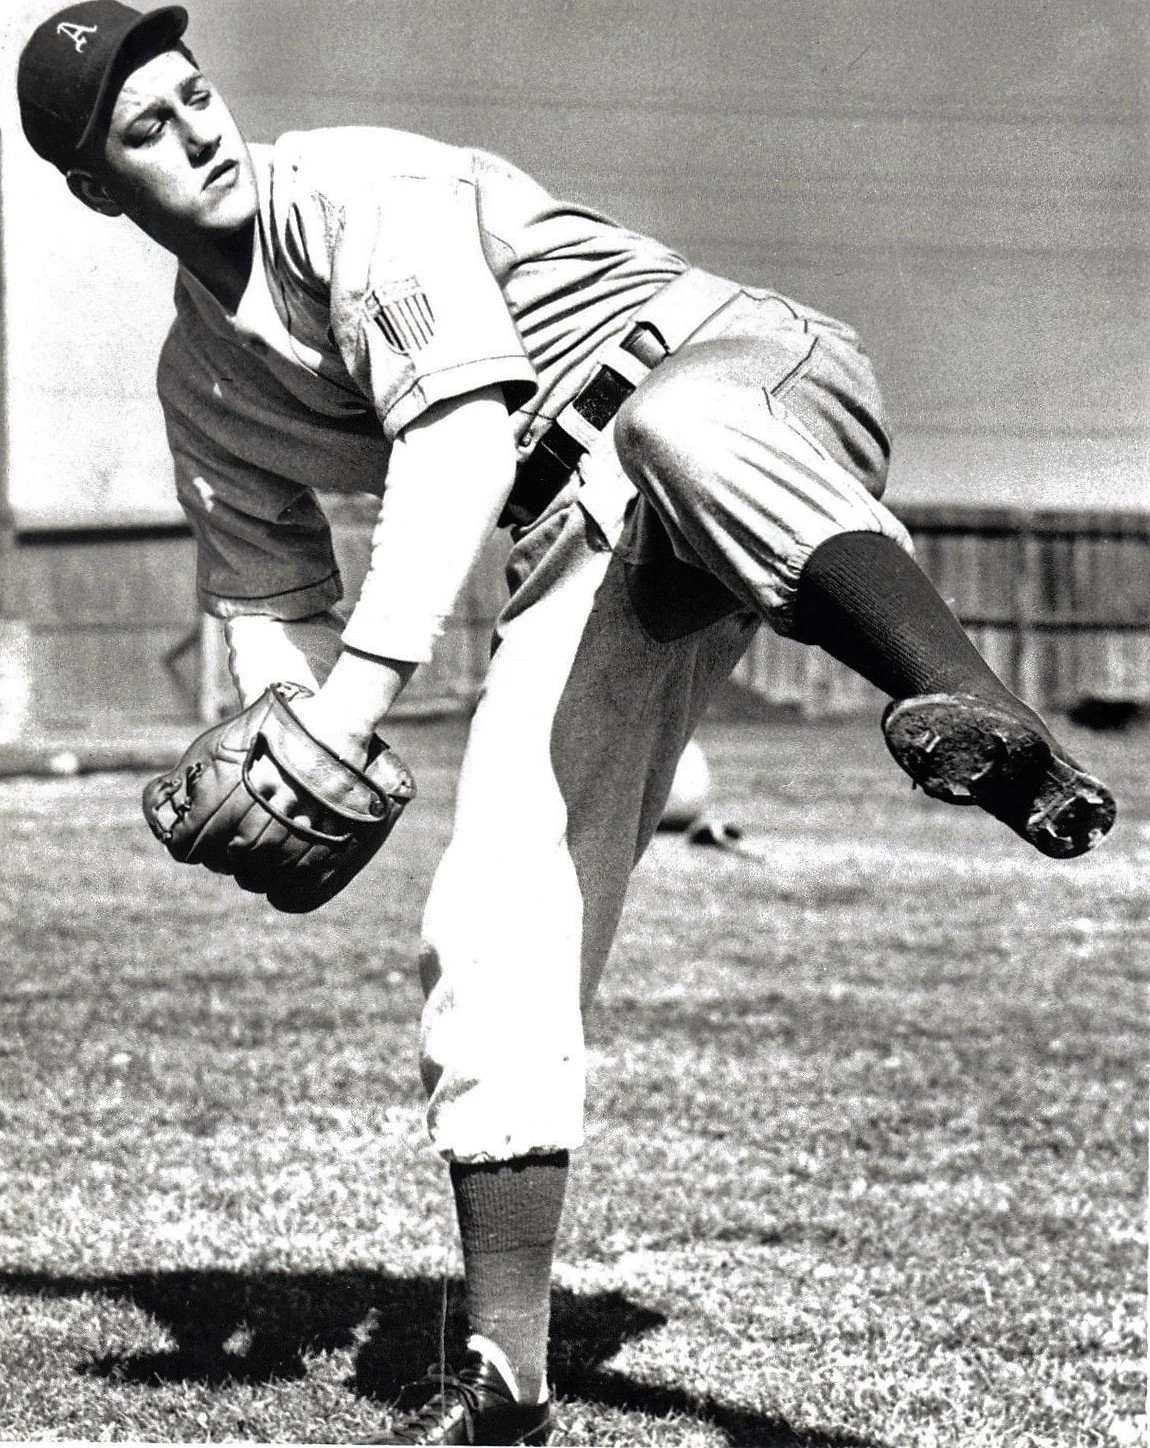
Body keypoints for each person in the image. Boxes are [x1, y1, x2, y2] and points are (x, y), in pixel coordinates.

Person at [17, 5, 1116, 1441]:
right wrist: (289, 733)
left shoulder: (355, 189)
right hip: (583, 537)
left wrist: (353, 703)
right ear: (98, 188)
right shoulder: (206, 385)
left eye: (194, 92)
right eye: (145, 130)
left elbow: (461, 433)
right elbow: (262, 597)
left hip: (737, 369)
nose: (197, 131)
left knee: (679, 430)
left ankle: (960, 693)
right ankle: (507, 1375)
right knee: (487, 917)